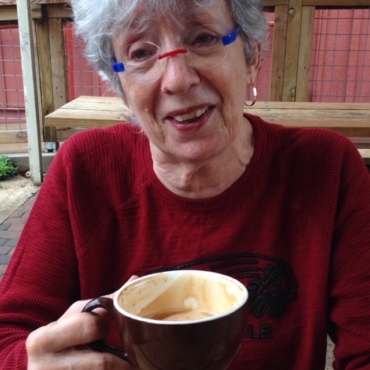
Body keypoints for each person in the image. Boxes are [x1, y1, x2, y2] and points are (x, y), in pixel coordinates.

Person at [0, 0, 370, 368]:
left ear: (251, 58)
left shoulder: (326, 169)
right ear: (121, 86)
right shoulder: (84, 171)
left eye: (204, 38)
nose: (177, 79)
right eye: (141, 52)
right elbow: (8, 338)